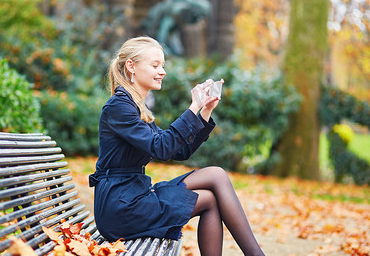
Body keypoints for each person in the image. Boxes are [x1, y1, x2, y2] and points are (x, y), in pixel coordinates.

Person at [89, 36, 265, 255]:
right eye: (155, 65)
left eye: (162, 65)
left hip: (134, 196)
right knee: (210, 196)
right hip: (120, 208)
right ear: (131, 66)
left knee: (215, 178)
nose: (162, 71)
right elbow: (160, 147)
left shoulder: (134, 106)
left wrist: (205, 111)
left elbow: (178, 151)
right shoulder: (119, 107)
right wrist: (193, 107)